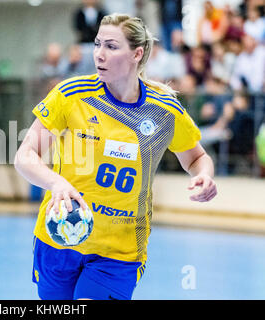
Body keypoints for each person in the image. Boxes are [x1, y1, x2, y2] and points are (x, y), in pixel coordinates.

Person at [14, 13, 217, 300]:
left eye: (111, 46)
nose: (99, 54)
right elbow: (25, 156)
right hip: (59, 237)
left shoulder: (164, 110)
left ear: (137, 53)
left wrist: (204, 176)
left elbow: (197, 157)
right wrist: (56, 183)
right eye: (97, 44)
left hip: (119, 249)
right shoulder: (71, 96)